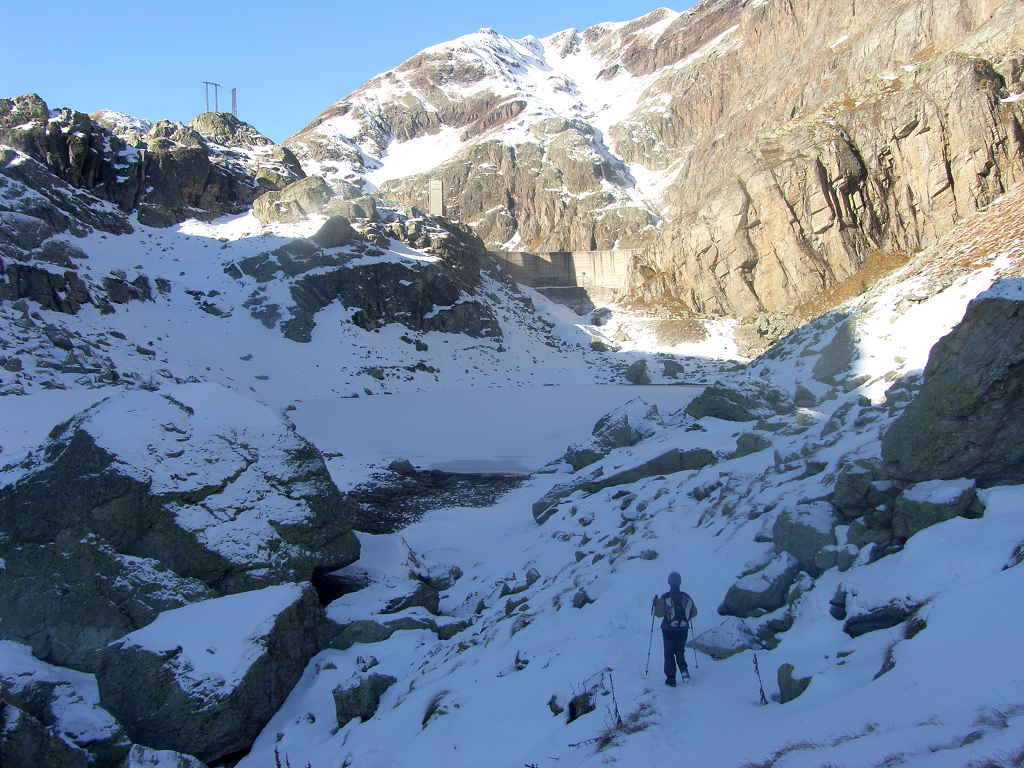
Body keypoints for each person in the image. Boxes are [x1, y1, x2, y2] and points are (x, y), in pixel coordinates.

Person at [652, 572, 697, 687]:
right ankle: (684, 672)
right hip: (683, 629)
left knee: (669, 654)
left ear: (669, 582)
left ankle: (671, 679)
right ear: (680, 582)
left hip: (668, 630)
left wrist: (655, 604)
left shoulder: (665, 597)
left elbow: (658, 614)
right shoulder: (686, 596)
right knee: (680, 651)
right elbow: (694, 612)